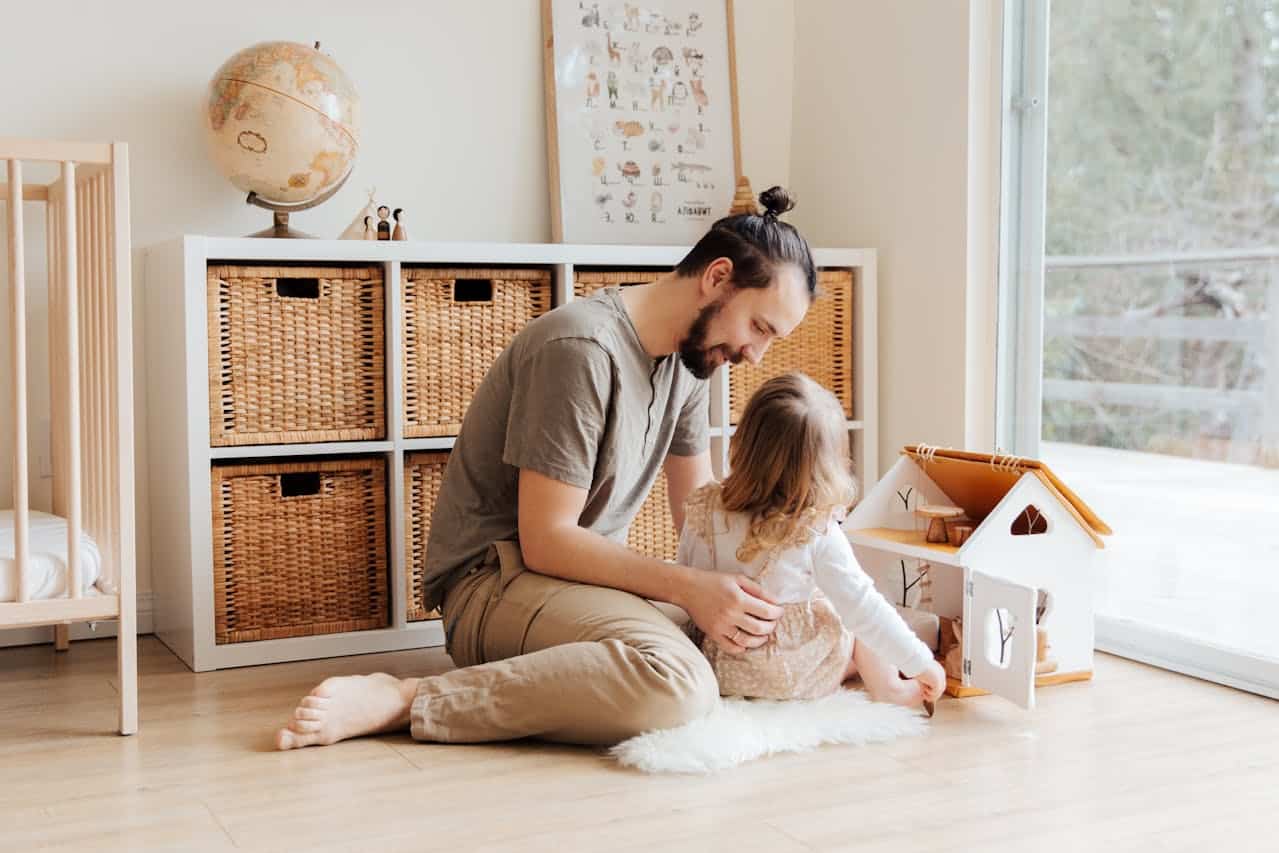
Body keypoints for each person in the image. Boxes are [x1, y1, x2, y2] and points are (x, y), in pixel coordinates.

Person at [276, 187, 818, 749]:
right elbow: (546, 541)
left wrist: (779, 579)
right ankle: (410, 698)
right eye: (759, 328)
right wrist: (692, 591)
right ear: (718, 277)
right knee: (680, 684)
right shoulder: (581, 349)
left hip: (581, 585)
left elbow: (700, 518)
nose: (755, 355)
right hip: (496, 583)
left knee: (748, 638)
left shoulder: (689, 361)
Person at [678, 372, 945, 711]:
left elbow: (687, 575)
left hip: (720, 665)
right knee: (856, 615)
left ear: (743, 442)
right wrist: (922, 663)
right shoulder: (815, 530)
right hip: (790, 676)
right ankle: (890, 688)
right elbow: (864, 608)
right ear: (828, 468)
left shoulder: (704, 507)